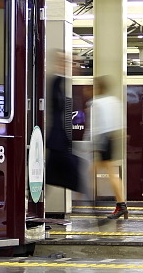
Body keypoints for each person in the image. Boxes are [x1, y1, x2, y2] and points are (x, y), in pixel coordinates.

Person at [90, 75, 127, 220]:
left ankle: (90, 204)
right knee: (109, 173)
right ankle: (121, 205)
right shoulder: (115, 102)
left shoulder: (96, 103)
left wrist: (93, 145)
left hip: (103, 139)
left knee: (91, 171)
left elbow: (96, 126)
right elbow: (121, 124)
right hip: (112, 138)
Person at [45, 52, 83, 193]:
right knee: (76, 176)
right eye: (63, 61)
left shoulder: (61, 85)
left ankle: (33, 203)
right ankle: (90, 206)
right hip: (57, 140)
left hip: (59, 140)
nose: (66, 64)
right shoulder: (54, 82)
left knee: (49, 177)